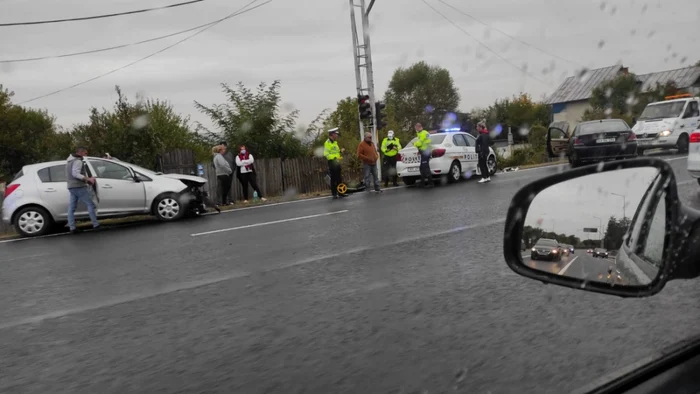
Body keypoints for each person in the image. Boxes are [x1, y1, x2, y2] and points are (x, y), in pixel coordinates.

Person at [65, 146, 99, 234]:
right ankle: (96, 225)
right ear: (80, 152)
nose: (86, 155)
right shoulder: (77, 161)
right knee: (90, 204)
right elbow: (75, 173)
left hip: (71, 186)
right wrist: (88, 179)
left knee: (71, 207)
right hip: (79, 186)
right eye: (85, 153)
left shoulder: (69, 161)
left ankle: (72, 227)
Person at [324, 128, 347, 199]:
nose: (337, 135)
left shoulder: (335, 142)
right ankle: (334, 193)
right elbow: (326, 154)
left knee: (339, 178)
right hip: (332, 162)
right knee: (333, 178)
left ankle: (341, 193)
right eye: (336, 134)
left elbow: (336, 152)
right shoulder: (327, 143)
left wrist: (340, 151)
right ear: (332, 134)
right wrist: (334, 158)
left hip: (337, 162)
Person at [413, 123, 434, 187]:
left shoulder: (423, 133)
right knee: (422, 167)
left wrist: (415, 144)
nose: (416, 129)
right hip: (424, 151)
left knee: (425, 167)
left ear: (419, 127)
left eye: (416, 128)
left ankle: (430, 183)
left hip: (426, 152)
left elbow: (419, 143)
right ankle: (423, 182)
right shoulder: (423, 133)